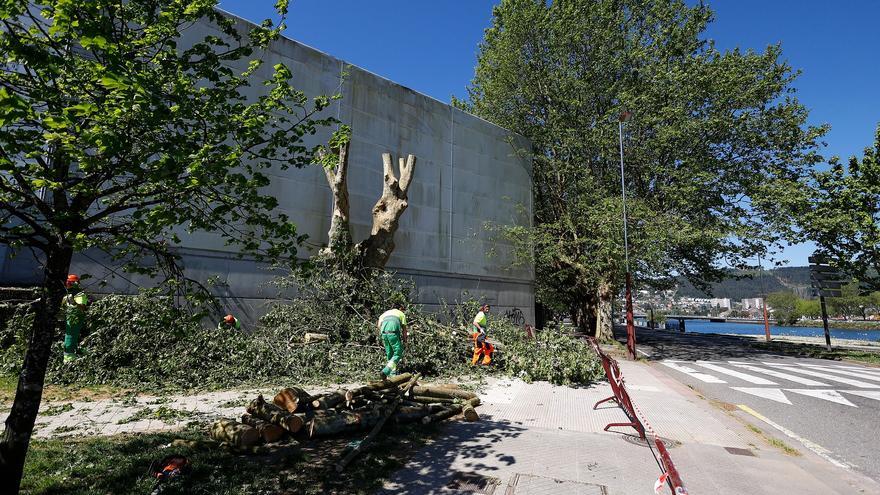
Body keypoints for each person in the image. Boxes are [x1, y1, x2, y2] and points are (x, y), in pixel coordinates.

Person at [63, 274, 89, 362]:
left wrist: (74, 303)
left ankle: (69, 359)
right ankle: (78, 353)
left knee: (70, 336)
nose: (67, 285)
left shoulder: (79, 294)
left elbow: (82, 307)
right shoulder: (67, 294)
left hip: (76, 317)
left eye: (69, 283)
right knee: (70, 336)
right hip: (69, 317)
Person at [377, 305, 407, 378]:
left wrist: (382, 335)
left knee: (390, 354)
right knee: (398, 353)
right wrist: (405, 341)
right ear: (400, 309)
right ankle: (386, 371)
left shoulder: (385, 313)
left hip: (384, 333)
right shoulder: (401, 314)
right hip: (393, 333)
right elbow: (404, 330)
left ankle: (392, 375)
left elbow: (379, 325)